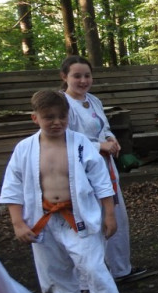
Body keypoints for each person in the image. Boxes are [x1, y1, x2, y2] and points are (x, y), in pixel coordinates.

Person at [0, 91, 136, 293]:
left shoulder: (81, 144)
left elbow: (102, 182)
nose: (57, 122)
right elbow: (12, 187)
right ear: (35, 118)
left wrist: (109, 214)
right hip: (43, 221)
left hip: (79, 218)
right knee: (54, 274)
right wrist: (18, 223)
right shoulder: (24, 149)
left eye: (62, 116)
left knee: (95, 270)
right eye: (49, 117)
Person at [59, 56, 143, 281]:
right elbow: (65, 139)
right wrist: (98, 146)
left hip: (105, 167)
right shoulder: (63, 104)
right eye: (77, 76)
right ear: (64, 77)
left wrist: (111, 138)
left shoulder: (93, 100)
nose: (83, 80)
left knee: (115, 215)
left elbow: (103, 127)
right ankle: (89, 277)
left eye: (87, 76)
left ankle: (120, 268)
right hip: (81, 171)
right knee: (90, 219)